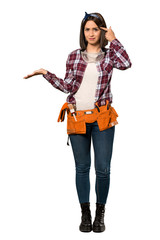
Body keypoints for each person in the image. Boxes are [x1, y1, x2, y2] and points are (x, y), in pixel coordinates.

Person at [23, 11, 132, 233]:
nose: (91, 33)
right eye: (87, 29)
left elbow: (126, 63)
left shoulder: (110, 56)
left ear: (101, 30)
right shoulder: (74, 56)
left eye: (95, 29)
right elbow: (69, 87)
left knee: (103, 169)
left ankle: (100, 214)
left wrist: (114, 40)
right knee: (82, 168)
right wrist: (46, 74)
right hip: (77, 118)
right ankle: (85, 214)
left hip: (103, 117)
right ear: (83, 32)